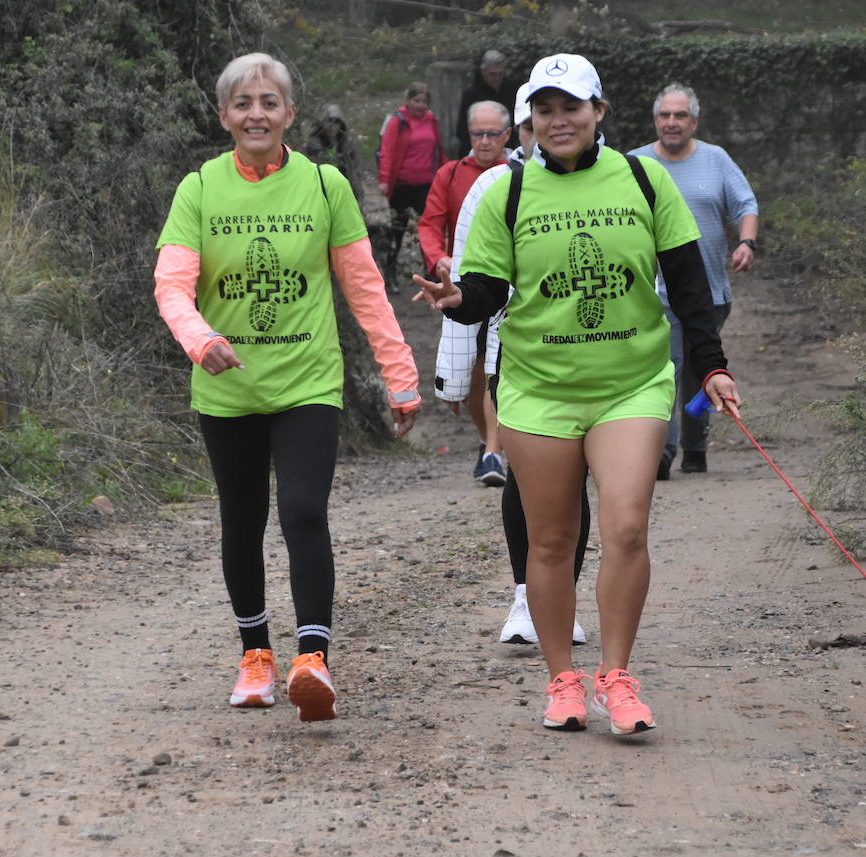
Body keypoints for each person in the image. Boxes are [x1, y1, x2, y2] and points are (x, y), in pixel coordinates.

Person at [413, 54, 741, 736]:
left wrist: (710, 367)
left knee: (624, 526)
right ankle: (562, 679)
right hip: (537, 390)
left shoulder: (644, 180)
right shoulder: (511, 192)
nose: (558, 121)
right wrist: (455, 300)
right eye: (545, 110)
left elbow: (688, 287)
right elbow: (487, 293)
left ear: (599, 112)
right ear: (529, 120)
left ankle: (616, 677)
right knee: (552, 539)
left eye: (571, 107)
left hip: (630, 384)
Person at [153, 52, 423, 723]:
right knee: (242, 522)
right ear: (224, 116)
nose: (256, 114)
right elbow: (172, 285)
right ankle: (255, 656)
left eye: (269, 102)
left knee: (304, 511)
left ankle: (311, 658)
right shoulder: (200, 189)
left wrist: (400, 374)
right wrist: (199, 339)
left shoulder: (324, 187)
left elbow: (364, 289)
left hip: (308, 380)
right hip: (228, 387)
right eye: (243, 103)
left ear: (289, 115)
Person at [439, 83, 589, 647]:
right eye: (533, 122)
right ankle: (527, 595)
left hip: (594, 356)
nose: (543, 133)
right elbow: (468, 280)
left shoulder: (614, 181)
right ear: (520, 132)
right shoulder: (493, 187)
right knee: (526, 478)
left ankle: (563, 598)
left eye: (560, 114)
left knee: (573, 485)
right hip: (516, 357)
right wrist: (454, 371)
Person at [628, 83, 758, 478]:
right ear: (655, 120)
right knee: (665, 368)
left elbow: (745, 204)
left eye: (680, 115)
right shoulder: (633, 163)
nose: (672, 122)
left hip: (710, 290)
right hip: (655, 293)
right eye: (665, 115)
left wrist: (747, 242)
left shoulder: (715, 159)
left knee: (698, 369)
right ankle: (663, 453)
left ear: (694, 122)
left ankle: (695, 447)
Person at [420, 100, 512, 486]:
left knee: (500, 364)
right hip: (463, 285)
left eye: (493, 133)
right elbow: (430, 224)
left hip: (508, 284)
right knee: (475, 369)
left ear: (508, 135)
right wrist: (440, 259)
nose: (486, 140)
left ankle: (497, 448)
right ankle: (486, 441)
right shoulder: (451, 173)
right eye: (478, 133)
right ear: (468, 135)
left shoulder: (520, 174)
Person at [377, 82, 445, 293]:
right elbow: (387, 151)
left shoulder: (431, 121)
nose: (420, 105)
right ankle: (390, 275)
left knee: (429, 229)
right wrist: (384, 179)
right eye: (416, 101)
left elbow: (438, 149)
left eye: (424, 101)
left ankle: (431, 273)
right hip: (401, 185)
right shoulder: (398, 122)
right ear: (408, 100)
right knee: (397, 231)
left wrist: (445, 172)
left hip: (426, 184)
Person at [454, 49, 520, 157]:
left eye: (500, 74)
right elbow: (462, 129)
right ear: (483, 72)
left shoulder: (511, 90)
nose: (497, 78)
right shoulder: (472, 94)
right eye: (493, 74)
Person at [304, 103, 362, 201]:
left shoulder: (347, 143)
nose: (333, 126)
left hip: (345, 189)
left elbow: (354, 169)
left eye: (336, 122)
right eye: (329, 122)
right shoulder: (314, 143)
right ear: (323, 123)